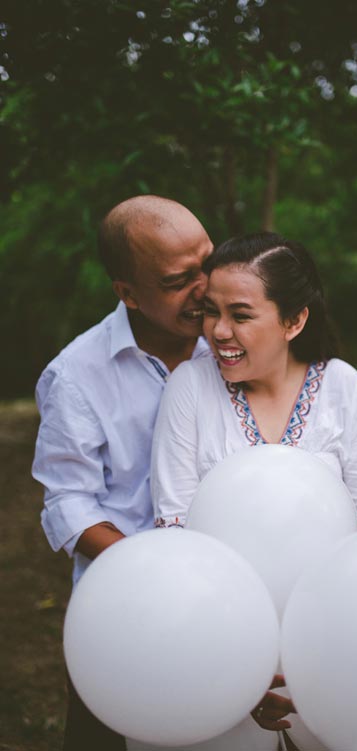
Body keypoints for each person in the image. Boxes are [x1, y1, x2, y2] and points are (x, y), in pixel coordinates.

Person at [149, 231, 357, 733]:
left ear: (294, 320)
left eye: (240, 315)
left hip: (335, 644)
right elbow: (174, 531)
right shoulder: (189, 389)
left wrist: (319, 667)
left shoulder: (342, 386)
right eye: (210, 312)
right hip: (213, 644)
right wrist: (238, 669)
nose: (218, 331)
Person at [33, 195, 213, 750]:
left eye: (207, 262)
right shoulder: (76, 376)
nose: (204, 286)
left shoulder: (237, 342)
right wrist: (156, 570)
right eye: (179, 279)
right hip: (124, 611)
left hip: (235, 605)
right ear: (127, 293)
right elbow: (69, 504)